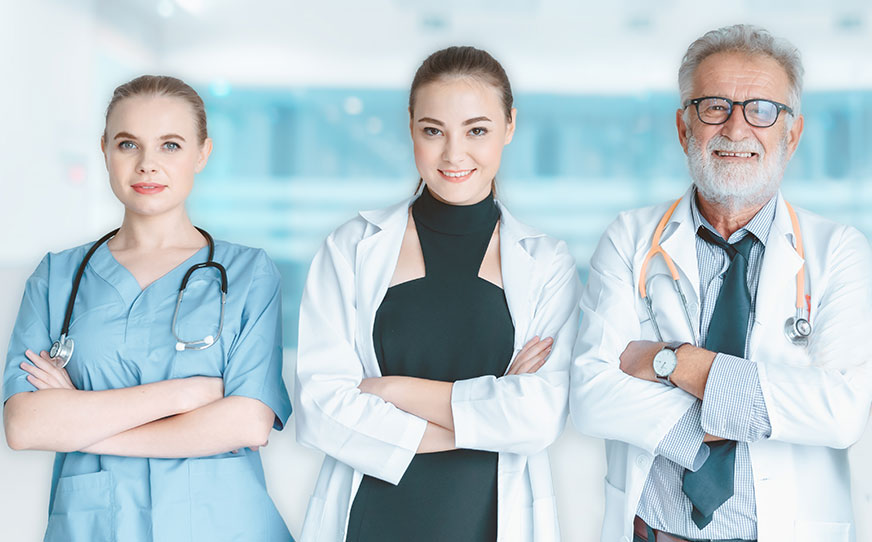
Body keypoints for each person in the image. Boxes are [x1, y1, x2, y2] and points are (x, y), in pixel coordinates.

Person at [570, 24, 872, 542]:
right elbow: (593, 395)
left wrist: (673, 362)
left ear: (791, 134)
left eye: (762, 110)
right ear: (685, 129)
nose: (736, 129)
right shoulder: (629, 238)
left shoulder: (839, 251)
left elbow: (840, 412)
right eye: (714, 107)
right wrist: (739, 417)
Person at [294, 46, 580, 542]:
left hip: (489, 520)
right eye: (433, 131)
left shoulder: (548, 262)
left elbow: (536, 418)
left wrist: (390, 390)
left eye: (477, 130)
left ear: (509, 126)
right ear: (410, 128)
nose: (453, 155)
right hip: (373, 518)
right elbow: (321, 409)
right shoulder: (351, 247)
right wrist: (484, 417)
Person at [2, 75, 293, 542]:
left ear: (203, 153)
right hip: (97, 524)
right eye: (128, 144)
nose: (147, 165)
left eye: (171, 145)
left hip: (222, 524)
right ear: (105, 150)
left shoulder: (247, 273)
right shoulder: (58, 277)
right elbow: (24, 424)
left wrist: (79, 423)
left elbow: (247, 422)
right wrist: (181, 396)